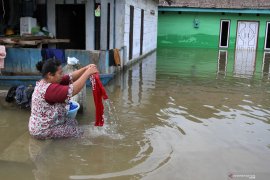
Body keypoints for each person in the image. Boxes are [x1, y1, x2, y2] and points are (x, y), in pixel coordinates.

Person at [29, 58, 98, 139]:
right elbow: (74, 89)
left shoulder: (48, 81)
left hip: (46, 123)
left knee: (73, 122)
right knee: (79, 132)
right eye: (60, 73)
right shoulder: (48, 89)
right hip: (43, 130)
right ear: (50, 75)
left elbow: (70, 77)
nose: (62, 75)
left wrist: (86, 68)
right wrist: (87, 73)